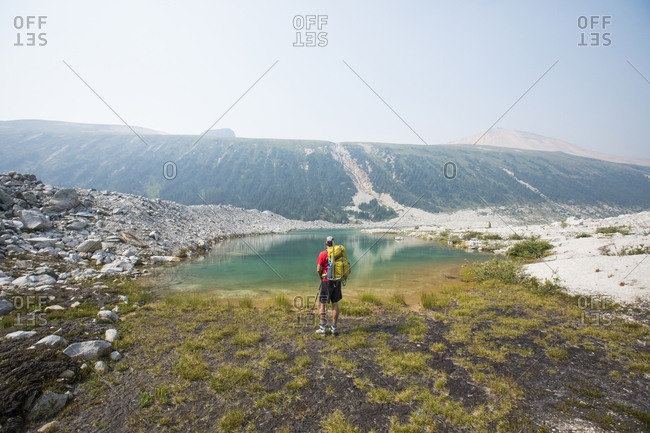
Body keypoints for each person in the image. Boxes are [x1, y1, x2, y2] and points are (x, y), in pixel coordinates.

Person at [316, 236, 342, 335]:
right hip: (337, 281)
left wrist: (321, 277)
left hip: (326, 281)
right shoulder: (338, 253)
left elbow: (318, 269)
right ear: (333, 243)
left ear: (326, 243)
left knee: (322, 304)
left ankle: (323, 328)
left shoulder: (323, 254)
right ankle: (334, 328)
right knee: (335, 304)